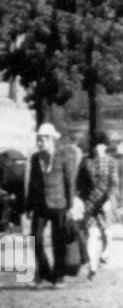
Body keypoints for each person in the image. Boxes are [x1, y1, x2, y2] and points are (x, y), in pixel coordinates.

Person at [25, 122, 79, 286]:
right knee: (36, 239)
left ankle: (58, 277)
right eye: (39, 139)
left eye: (43, 139)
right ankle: (44, 273)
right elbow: (33, 183)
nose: (40, 142)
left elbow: (69, 182)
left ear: (52, 140)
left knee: (59, 241)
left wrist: (70, 206)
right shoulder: (35, 158)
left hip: (59, 204)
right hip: (40, 205)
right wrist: (28, 207)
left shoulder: (64, 156)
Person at [76, 131, 118, 279]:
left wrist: (109, 200)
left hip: (106, 201)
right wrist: (79, 199)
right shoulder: (85, 162)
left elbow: (114, 185)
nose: (98, 148)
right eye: (95, 146)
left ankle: (106, 253)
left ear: (105, 147)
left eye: (101, 146)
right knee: (92, 234)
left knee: (107, 233)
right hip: (90, 203)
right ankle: (93, 268)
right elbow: (79, 183)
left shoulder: (112, 162)